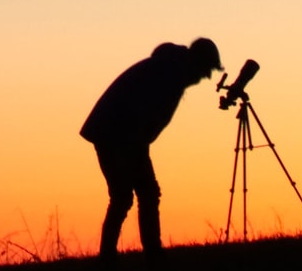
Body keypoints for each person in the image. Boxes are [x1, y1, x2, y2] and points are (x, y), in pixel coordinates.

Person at [80, 38, 223, 253]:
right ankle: (147, 253)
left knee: (127, 196)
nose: (207, 77)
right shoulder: (170, 73)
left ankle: (117, 256)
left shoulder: (171, 68)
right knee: (136, 195)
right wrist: (138, 144)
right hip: (118, 134)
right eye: (207, 69)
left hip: (117, 133)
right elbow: (140, 111)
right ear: (198, 61)